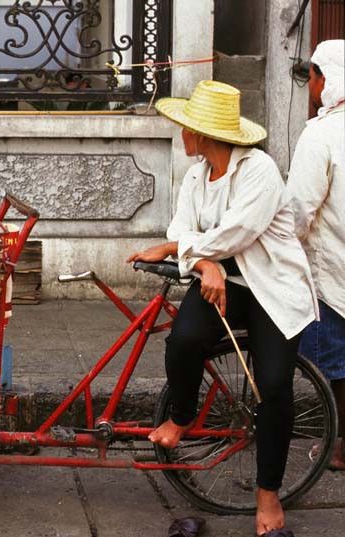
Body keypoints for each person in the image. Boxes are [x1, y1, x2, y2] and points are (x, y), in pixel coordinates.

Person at [127, 80, 317, 537]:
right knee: (183, 341)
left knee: (272, 387)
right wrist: (206, 263)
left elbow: (237, 232)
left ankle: (268, 494)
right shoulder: (196, 176)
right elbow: (182, 224)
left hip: (271, 288)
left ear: (205, 134)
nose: (182, 134)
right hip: (222, 284)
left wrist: (188, 251)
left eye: (187, 128)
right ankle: (182, 416)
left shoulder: (260, 171)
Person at [287, 39, 345, 470]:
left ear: (327, 79)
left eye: (312, 75)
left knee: (338, 364)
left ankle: (342, 447)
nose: (309, 84)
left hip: (332, 270)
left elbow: (299, 209)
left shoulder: (321, 134)